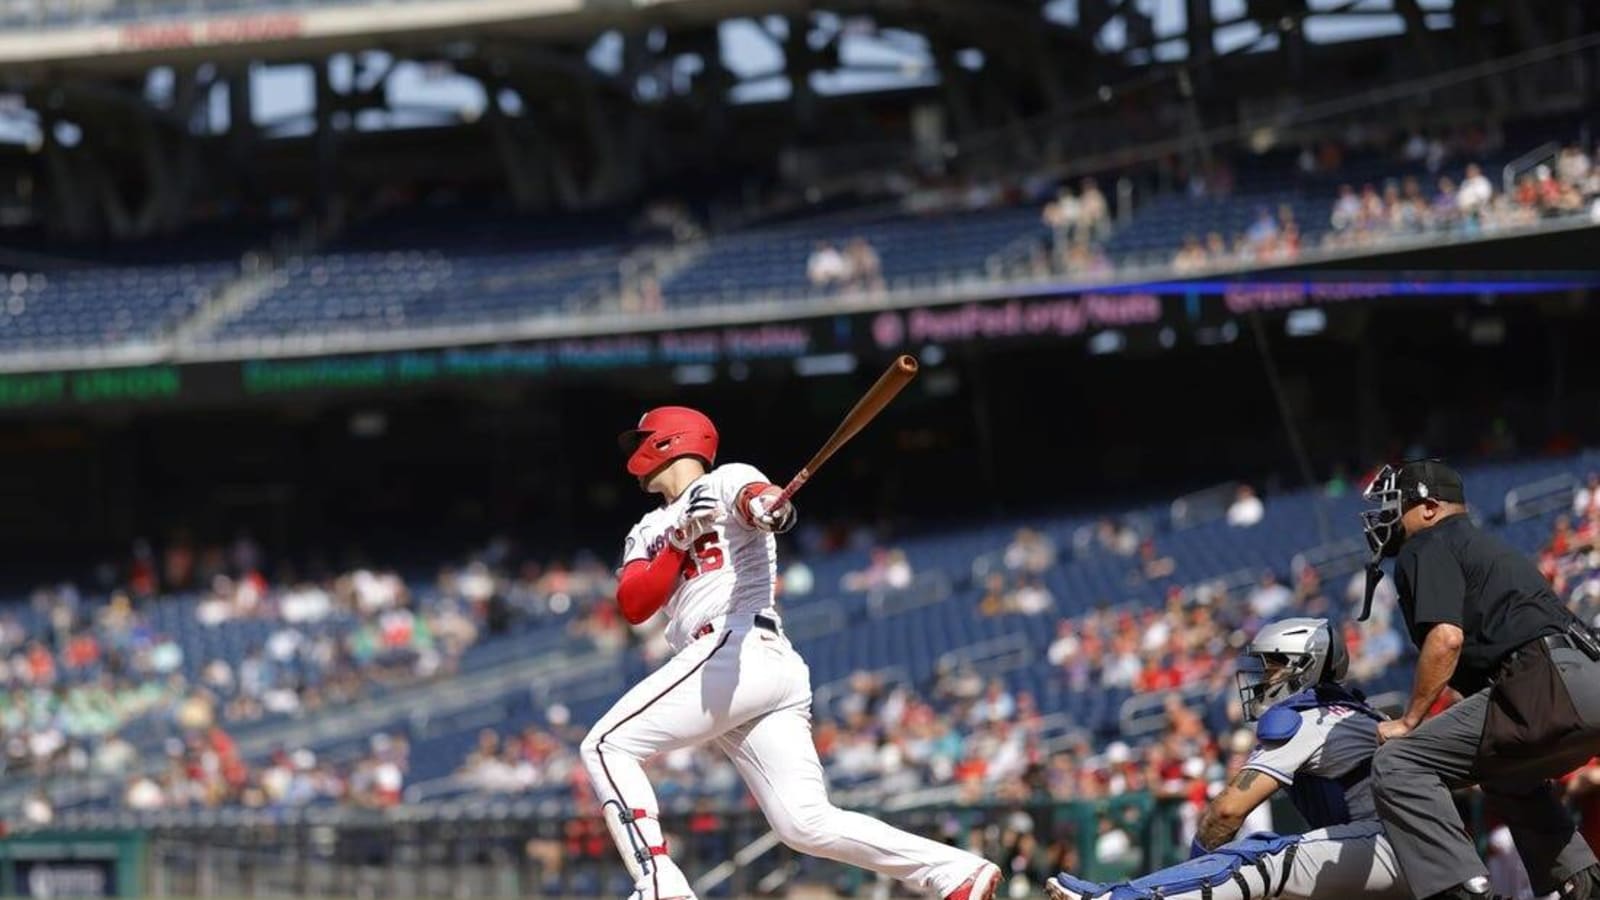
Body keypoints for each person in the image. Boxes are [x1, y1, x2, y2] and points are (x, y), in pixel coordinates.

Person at [581, 406, 1000, 900]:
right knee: (804, 823)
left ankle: (660, 883)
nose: (635, 454)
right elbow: (633, 604)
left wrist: (767, 510)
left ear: (670, 441)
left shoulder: (727, 477)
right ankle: (955, 871)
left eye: (643, 440)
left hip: (737, 643)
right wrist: (675, 543)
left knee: (605, 745)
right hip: (740, 668)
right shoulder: (647, 529)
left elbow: (755, 502)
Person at [1357, 459, 1600, 900]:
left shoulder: (1426, 543)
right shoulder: (1478, 543)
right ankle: (1582, 885)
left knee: (1398, 764)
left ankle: (1467, 893)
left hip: (1546, 684)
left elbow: (1446, 638)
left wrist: (1409, 720)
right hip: (1584, 678)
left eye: (1396, 505)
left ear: (1429, 508)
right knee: (1504, 771)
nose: (1385, 518)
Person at [1049, 617, 1409, 900]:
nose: (1262, 676)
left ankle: (1120, 898)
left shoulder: (1307, 719)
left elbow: (1227, 811)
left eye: (1271, 666)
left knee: (1257, 857)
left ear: (1304, 666)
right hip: (1413, 849)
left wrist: (1194, 873)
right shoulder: (1362, 712)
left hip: (1384, 847)